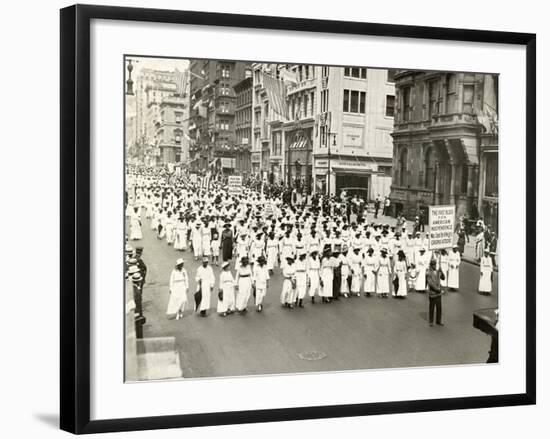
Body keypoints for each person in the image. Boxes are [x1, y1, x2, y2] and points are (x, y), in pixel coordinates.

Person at [426, 259, 446, 326]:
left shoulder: (438, 272)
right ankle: (431, 321)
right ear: (431, 265)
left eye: (435, 264)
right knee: (432, 308)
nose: (435, 266)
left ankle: (438, 321)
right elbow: (430, 283)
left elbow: (443, 278)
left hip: (438, 294)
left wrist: (442, 271)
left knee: (439, 308)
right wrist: (437, 289)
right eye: (433, 265)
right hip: (432, 293)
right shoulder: (428, 273)